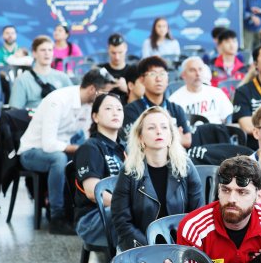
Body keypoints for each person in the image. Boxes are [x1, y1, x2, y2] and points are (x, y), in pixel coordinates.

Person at [19, 68, 116, 234]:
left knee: (91, 155)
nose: (106, 99)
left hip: (62, 148)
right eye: (104, 93)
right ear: (92, 89)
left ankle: (81, 211)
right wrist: (82, 149)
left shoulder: (89, 105)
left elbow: (88, 137)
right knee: (59, 159)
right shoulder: (58, 100)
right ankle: (57, 217)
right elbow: (49, 145)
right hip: (32, 151)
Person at [112, 105, 202, 250]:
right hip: (140, 248)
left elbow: (197, 216)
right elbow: (122, 222)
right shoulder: (129, 171)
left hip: (180, 247)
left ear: (171, 136)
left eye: (164, 127)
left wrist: (179, 250)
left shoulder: (185, 167)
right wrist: (153, 250)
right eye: (151, 128)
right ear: (140, 137)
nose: (159, 131)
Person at [73, 93, 126, 246]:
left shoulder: (125, 148)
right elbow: (93, 193)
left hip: (117, 211)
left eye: (119, 109)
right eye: (108, 108)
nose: (115, 112)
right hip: (92, 218)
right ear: (95, 117)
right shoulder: (90, 148)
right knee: (136, 214)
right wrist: (128, 205)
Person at [122, 56, 192, 148]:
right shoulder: (131, 110)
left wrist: (151, 137)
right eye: (152, 74)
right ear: (142, 80)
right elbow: (135, 142)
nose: (158, 79)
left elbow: (187, 141)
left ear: (167, 79)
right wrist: (174, 135)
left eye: (162, 74)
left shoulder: (176, 109)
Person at [8, 35, 72, 110]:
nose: (47, 53)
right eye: (43, 50)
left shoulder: (63, 77)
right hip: (32, 116)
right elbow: (15, 111)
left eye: (50, 50)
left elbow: (72, 104)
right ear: (34, 53)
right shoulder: (22, 80)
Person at [168, 57, 233, 124]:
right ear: (183, 75)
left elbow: (228, 117)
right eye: (192, 70)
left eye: (200, 69)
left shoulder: (217, 93)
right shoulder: (174, 101)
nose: (198, 74)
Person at [100, 33, 137, 102]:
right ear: (108, 49)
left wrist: (126, 89)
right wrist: (103, 90)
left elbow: (140, 99)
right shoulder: (100, 70)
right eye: (113, 53)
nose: (117, 57)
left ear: (126, 48)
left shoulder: (134, 71)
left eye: (120, 52)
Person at [210, 28, 247, 94]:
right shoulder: (211, 66)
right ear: (220, 45)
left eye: (234, 41)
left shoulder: (244, 69)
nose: (232, 45)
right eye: (227, 42)